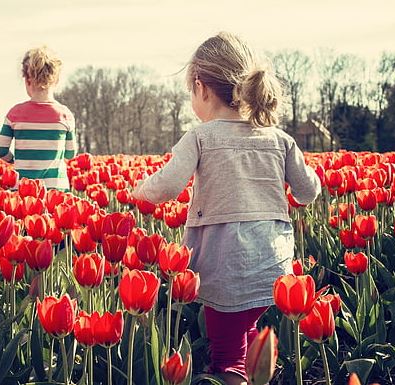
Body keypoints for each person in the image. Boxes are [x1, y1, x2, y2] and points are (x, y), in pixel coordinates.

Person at [132, 32, 321, 385]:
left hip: (225, 261)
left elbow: (169, 185)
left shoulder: (201, 137)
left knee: (228, 356)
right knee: (248, 329)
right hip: (273, 263)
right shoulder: (280, 139)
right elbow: (308, 191)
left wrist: (140, 189)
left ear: (201, 88)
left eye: (192, 91)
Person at [0, 46, 77, 190]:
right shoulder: (65, 115)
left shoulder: (15, 114)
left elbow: (0, 149)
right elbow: (71, 153)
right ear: (56, 80)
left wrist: (15, 160)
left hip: (23, 188)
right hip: (56, 188)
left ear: (27, 80)